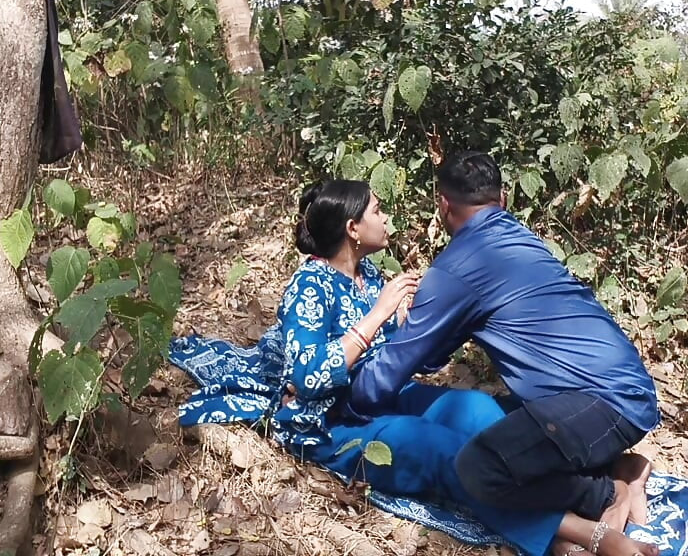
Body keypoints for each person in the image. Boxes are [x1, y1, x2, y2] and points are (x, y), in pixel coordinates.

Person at [235, 179, 657, 556]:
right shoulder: (310, 284)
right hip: (332, 418)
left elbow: (398, 350)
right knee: (439, 450)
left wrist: (406, 318)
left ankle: (604, 483)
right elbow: (307, 378)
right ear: (352, 229)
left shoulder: (371, 274)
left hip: (380, 395)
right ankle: (584, 531)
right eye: (377, 211)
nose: (386, 219)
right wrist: (377, 317)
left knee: (480, 413)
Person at [346, 152, 662, 554]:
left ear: (443, 204)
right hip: (627, 390)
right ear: (505, 198)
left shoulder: (455, 269)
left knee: (478, 467)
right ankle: (619, 466)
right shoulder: (520, 239)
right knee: (494, 419)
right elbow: (432, 354)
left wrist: (346, 393)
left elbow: (394, 370)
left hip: (601, 404)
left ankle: (602, 492)